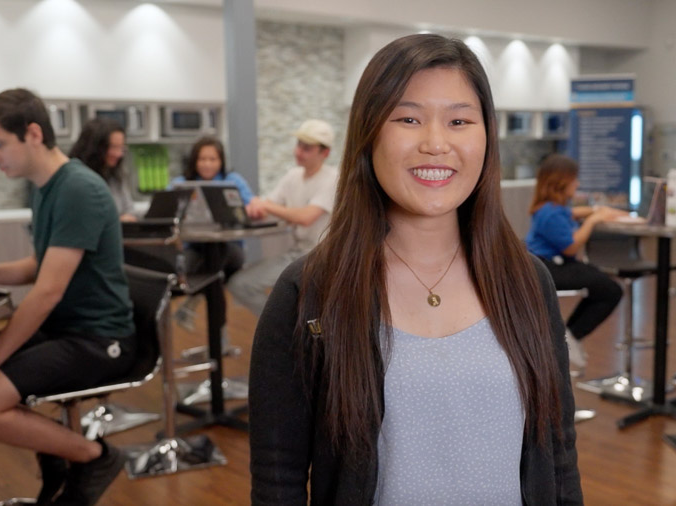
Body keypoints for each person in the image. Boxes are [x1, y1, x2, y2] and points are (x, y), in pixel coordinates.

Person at [249, 34, 583, 505]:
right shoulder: (310, 292)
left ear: (485, 136)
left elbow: (559, 453)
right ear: (369, 134)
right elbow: (277, 477)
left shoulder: (526, 282)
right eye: (408, 118)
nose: (435, 143)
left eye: (459, 121)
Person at [0, 89, 134, 505]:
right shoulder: (44, 186)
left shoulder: (78, 188)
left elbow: (46, 292)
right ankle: (58, 460)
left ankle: (95, 456)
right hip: (64, 330)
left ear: (32, 133)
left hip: (98, 339)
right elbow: (36, 266)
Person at [226, 119, 338, 316]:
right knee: (240, 284)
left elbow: (305, 217)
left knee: (243, 285)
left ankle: (285, 327)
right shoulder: (293, 176)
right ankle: (285, 327)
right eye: (298, 145)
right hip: (297, 254)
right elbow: (269, 206)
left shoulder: (333, 178)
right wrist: (256, 207)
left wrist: (266, 205)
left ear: (325, 153)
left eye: (307, 148)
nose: (298, 152)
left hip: (323, 259)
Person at [525, 154, 626, 369]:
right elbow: (570, 246)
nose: (577, 184)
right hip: (547, 268)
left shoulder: (552, 208)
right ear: (561, 182)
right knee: (609, 289)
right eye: (574, 179)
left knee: (603, 284)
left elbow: (571, 213)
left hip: (553, 264)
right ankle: (570, 337)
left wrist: (597, 211)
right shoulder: (550, 213)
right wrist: (592, 221)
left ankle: (570, 335)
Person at [169, 137, 252, 328]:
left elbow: (251, 207)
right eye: (202, 159)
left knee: (217, 257)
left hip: (231, 252)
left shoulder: (233, 181)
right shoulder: (181, 183)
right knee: (210, 276)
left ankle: (191, 304)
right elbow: (166, 210)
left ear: (221, 161)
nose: (207, 164)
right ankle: (219, 340)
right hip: (195, 250)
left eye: (212, 159)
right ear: (194, 161)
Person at [68, 117, 137, 222]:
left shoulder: (115, 176)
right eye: (113, 147)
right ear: (95, 148)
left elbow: (130, 211)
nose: (118, 154)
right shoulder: (75, 180)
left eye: (121, 148)